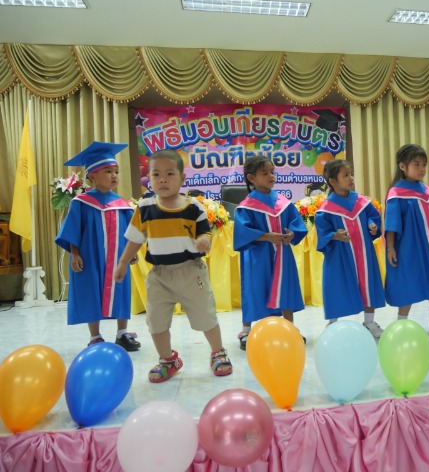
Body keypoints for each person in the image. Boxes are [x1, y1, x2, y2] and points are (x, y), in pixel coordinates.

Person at [113, 149, 232, 383]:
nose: (163, 179)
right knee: (156, 322)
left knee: (205, 316)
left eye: (170, 174)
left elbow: (205, 233)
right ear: (149, 178)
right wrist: (123, 262)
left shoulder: (193, 207)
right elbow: (135, 239)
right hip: (159, 276)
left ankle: (218, 352)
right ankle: (168, 360)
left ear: (182, 178)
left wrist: (204, 241)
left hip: (190, 272)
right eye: (156, 174)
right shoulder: (145, 207)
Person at [55, 141, 141, 351]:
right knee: (90, 290)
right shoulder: (81, 202)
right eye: (108, 171)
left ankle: (122, 333)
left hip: (118, 257)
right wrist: (74, 254)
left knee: (120, 289)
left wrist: (131, 253)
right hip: (90, 256)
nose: (114, 176)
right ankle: (95, 336)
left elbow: (131, 232)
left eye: (116, 172)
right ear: (92, 176)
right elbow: (72, 230)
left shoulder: (122, 205)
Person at [233, 155, 308, 350]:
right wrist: (267, 236)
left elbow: (296, 223)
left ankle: (290, 327)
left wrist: (292, 234)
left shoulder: (283, 202)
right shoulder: (246, 206)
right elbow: (243, 232)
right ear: (251, 178)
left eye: (272, 172)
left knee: (286, 287)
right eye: (264, 173)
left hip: (282, 254)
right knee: (255, 288)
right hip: (257, 256)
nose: (271, 176)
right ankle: (246, 330)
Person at [384, 144, 429, 335]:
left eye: (424, 164)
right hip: (408, 247)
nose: (422, 168)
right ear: (402, 166)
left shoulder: (427, 191)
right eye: (416, 164)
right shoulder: (396, 193)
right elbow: (391, 223)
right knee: (407, 280)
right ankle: (401, 321)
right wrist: (391, 247)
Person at [314, 159, 385, 337]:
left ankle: (369, 321)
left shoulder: (361, 202)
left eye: (351, 174)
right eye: (345, 175)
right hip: (340, 256)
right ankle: (332, 323)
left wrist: (372, 225)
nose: (351, 178)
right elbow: (322, 233)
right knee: (336, 286)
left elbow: (373, 216)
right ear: (332, 181)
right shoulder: (326, 209)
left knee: (368, 284)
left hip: (364, 253)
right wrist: (334, 235)